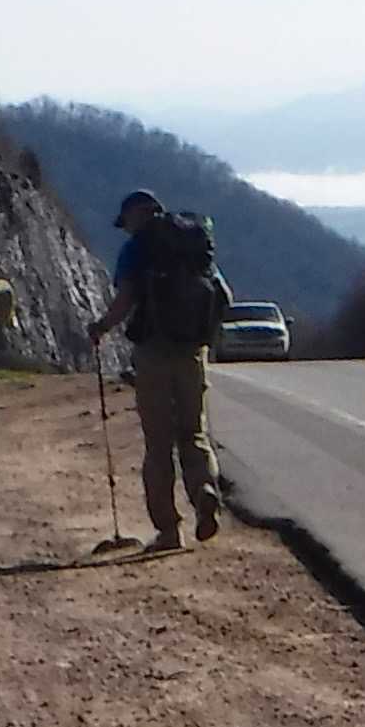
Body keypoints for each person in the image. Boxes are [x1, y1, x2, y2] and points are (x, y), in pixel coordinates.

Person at [86, 189, 227, 549]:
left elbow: (125, 301)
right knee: (194, 434)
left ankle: (168, 530)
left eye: (126, 221)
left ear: (135, 215)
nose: (125, 228)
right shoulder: (195, 245)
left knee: (159, 444)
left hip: (153, 352)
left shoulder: (136, 249)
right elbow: (222, 295)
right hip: (192, 352)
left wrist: (101, 327)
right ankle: (204, 490)